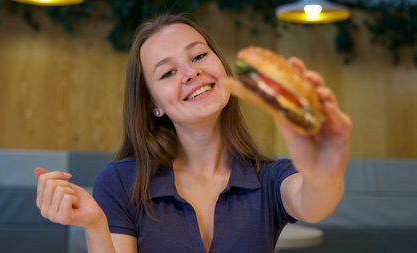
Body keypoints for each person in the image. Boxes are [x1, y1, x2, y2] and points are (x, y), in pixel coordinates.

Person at [34, 14, 351, 253]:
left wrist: (324, 172)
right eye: (168, 72)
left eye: (199, 56)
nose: (191, 72)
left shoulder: (269, 178)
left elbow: (315, 203)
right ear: (154, 104)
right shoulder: (120, 183)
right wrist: (95, 224)